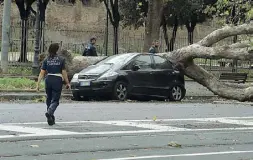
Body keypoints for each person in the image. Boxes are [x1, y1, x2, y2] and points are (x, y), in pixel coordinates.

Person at [36, 43, 70, 126]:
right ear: (57, 50)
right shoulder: (61, 59)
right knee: (55, 100)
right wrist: (67, 82)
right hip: (57, 80)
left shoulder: (46, 60)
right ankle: (50, 112)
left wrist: (38, 84)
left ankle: (50, 118)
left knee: (49, 99)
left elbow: (42, 72)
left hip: (48, 79)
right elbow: (63, 72)